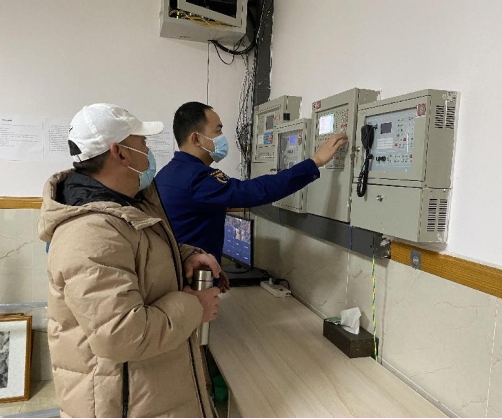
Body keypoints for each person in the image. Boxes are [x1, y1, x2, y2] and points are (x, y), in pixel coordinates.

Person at [37, 103, 222, 418]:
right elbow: (121, 335)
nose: (148, 152)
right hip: (123, 404)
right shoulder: (89, 232)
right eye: (143, 143)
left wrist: (186, 256)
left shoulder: (126, 208)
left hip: (146, 393)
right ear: (120, 153)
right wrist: (195, 306)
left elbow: (138, 255)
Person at [155, 101, 348, 263]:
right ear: (196, 138)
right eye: (217, 131)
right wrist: (315, 162)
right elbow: (254, 191)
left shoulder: (167, 174)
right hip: (190, 280)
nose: (221, 138)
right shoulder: (197, 177)